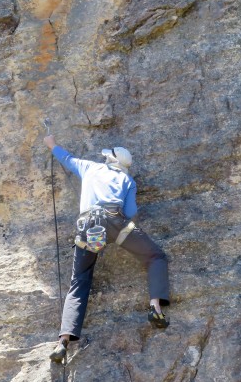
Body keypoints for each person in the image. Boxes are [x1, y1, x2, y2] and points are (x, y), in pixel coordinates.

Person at [43, 134, 170, 363]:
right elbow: (131, 213)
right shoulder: (128, 181)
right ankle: (155, 307)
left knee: (79, 280)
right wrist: (126, 234)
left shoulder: (90, 168)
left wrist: (51, 144)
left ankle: (63, 341)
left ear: (109, 160)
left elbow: (67, 159)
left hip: (88, 227)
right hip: (116, 223)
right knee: (155, 256)